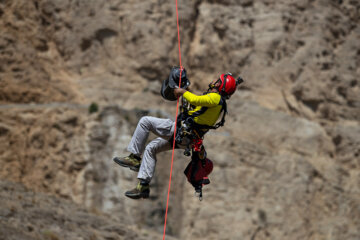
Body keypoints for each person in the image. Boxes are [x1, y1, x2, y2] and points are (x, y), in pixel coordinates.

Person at [113, 71, 241, 199]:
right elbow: (196, 104)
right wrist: (186, 89)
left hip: (182, 131)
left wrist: (182, 92)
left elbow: (196, 99)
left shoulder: (216, 98)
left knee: (145, 122)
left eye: (217, 80)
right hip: (187, 138)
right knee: (151, 148)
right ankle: (143, 185)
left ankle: (134, 157)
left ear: (221, 85)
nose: (214, 81)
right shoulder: (216, 103)